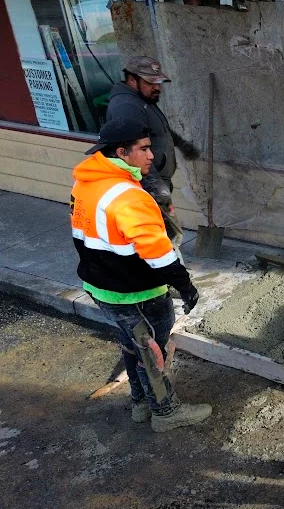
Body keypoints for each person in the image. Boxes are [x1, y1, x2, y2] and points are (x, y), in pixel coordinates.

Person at [71, 118, 211, 433]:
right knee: (152, 349)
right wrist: (185, 286)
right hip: (138, 293)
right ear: (122, 152)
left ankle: (140, 404)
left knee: (132, 343)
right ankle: (165, 411)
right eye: (144, 149)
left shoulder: (85, 183)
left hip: (102, 287)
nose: (152, 156)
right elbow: (159, 255)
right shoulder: (128, 196)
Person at [107, 56, 200, 258]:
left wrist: (182, 145)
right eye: (151, 82)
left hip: (156, 182)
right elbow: (133, 154)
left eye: (158, 82)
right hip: (148, 186)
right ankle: (173, 277)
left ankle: (171, 272)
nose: (157, 87)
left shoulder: (142, 100)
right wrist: (158, 190)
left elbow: (160, 131)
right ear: (132, 80)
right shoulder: (127, 108)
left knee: (167, 234)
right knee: (165, 237)